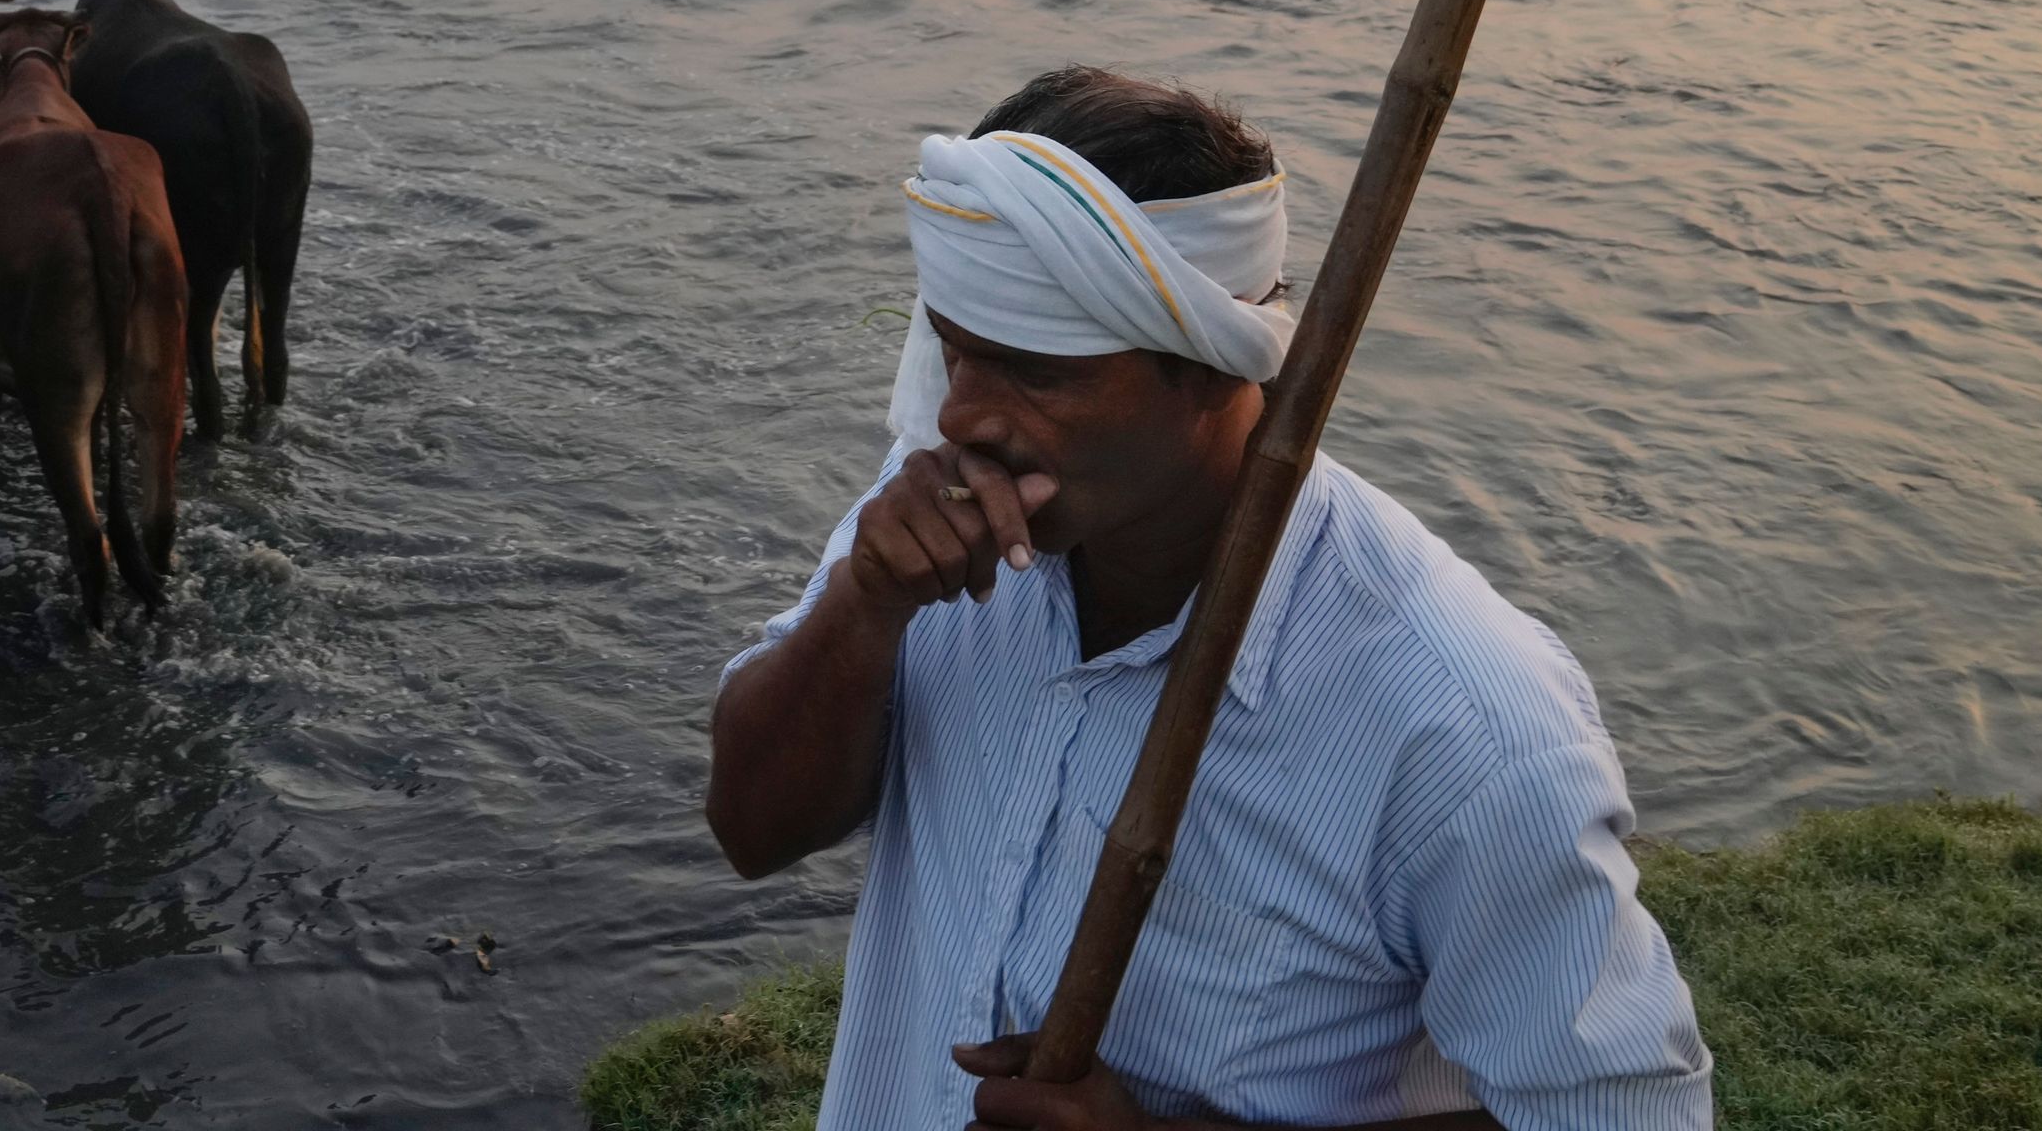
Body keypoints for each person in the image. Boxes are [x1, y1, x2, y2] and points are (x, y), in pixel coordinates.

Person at [706, 66, 1710, 1131]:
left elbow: (1632, 1117)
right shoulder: (927, 529)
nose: (961, 416)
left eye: (1029, 369)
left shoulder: (1464, 728)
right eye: (951, 352)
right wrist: (863, 610)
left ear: (1211, 364)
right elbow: (750, 827)